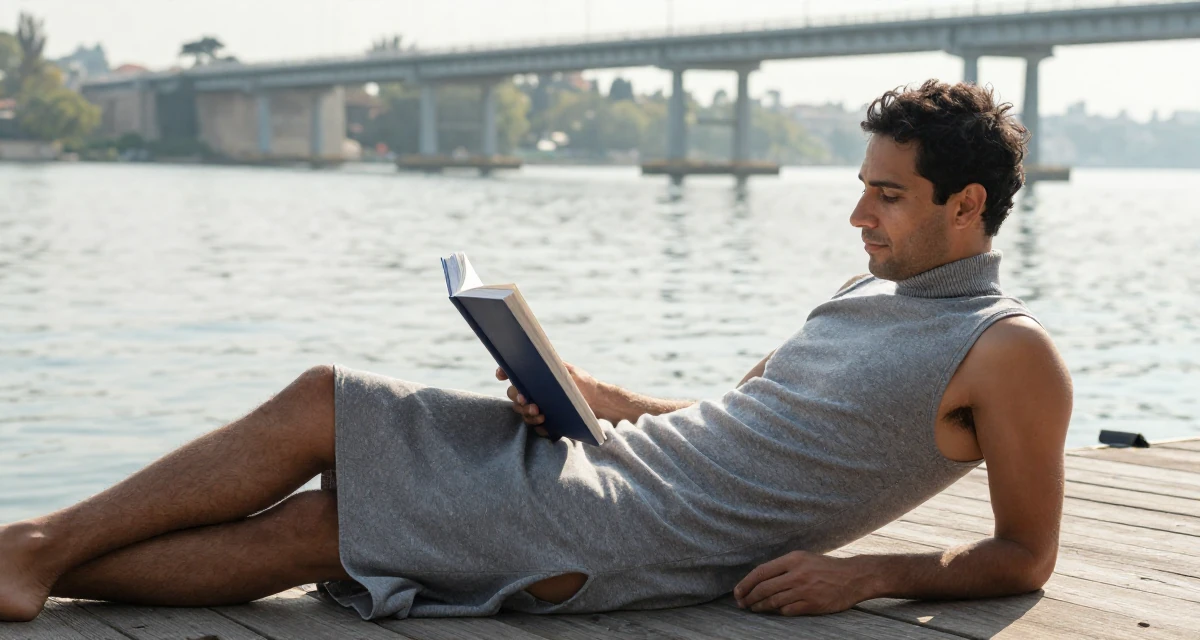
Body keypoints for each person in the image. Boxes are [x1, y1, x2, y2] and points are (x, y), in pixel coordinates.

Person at [0, 79, 1072, 622]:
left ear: (967, 204)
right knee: (321, 395)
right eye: (861, 189)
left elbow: (1026, 553)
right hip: (604, 460)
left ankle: (30, 553)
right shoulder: (858, 293)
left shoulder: (1004, 349)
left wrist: (864, 575)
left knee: (324, 530)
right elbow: (739, 423)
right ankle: (31, 555)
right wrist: (589, 393)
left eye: (886, 196)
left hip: (623, 530)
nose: (858, 217)